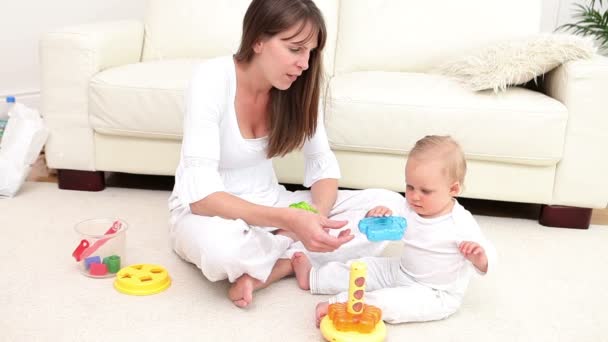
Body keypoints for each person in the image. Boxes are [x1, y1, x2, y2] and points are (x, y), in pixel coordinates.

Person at [168, 0, 404, 308]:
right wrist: (292, 223)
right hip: (209, 214)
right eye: (295, 49)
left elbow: (322, 164)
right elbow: (200, 198)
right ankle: (294, 253)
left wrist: (316, 217)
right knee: (221, 250)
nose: (304, 64)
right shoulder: (212, 78)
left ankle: (277, 266)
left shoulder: (299, 85)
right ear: (258, 40)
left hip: (272, 204)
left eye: (311, 52)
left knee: (391, 207)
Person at [291, 135, 497, 325]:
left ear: (453, 189)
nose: (414, 196)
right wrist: (376, 215)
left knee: (390, 302)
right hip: (402, 270)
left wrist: (479, 256)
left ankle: (343, 308)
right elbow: (384, 229)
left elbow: (488, 257)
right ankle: (313, 277)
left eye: (425, 191)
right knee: (363, 267)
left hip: (436, 292)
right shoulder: (409, 208)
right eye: (410, 187)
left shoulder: (460, 221)